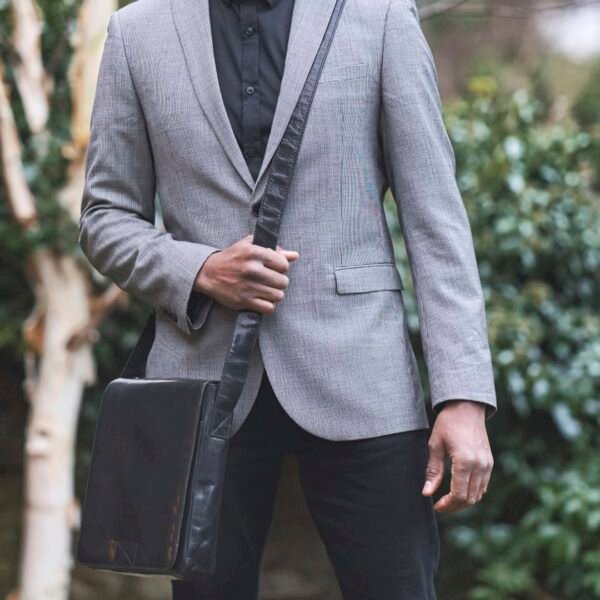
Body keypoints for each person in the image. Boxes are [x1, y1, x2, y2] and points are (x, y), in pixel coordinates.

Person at [79, 0, 497, 597]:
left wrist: (462, 395)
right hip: (202, 385)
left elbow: (437, 221)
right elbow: (104, 217)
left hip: (362, 374)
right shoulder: (137, 30)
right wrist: (200, 269)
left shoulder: (378, 17)